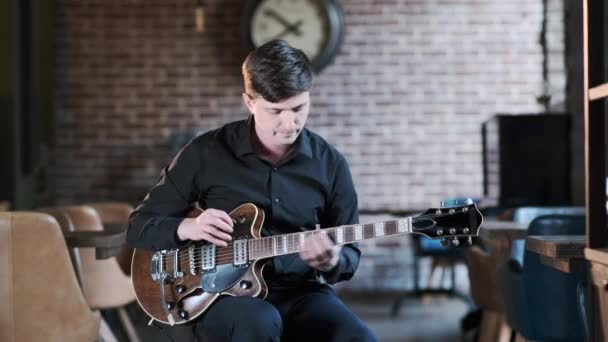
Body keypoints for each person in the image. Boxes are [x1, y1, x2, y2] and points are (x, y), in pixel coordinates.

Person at [127, 39, 376, 342]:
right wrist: (189, 226)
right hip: (223, 297)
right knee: (259, 321)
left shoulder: (331, 164)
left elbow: (350, 254)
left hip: (300, 291)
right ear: (249, 102)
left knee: (358, 337)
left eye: (299, 108)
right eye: (275, 111)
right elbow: (139, 227)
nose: (289, 123)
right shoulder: (205, 152)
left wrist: (332, 260)